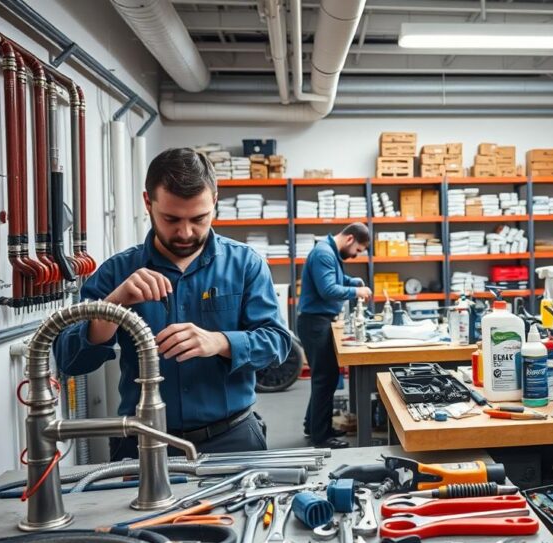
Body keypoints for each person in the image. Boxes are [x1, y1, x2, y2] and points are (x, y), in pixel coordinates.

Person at [54, 148, 290, 460]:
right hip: (143, 442)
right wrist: (113, 306)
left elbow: (278, 344)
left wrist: (219, 342)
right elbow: (69, 359)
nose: (185, 232)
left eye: (199, 218)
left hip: (232, 439)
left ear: (214, 201)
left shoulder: (246, 265)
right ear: (147, 203)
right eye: (171, 219)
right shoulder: (117, 273)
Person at [297, 224, 372, 449]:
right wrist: (357, 292)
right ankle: (322, 437)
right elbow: (328, 289)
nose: (356, 255)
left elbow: (335, 279)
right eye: (358, 250)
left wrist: (352, 281)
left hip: (318, 321)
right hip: (315, 323)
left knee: (323, 377)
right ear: (350, 239)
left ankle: (313, 425)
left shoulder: (329, 252)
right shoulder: (323, 253)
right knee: (325, 378)